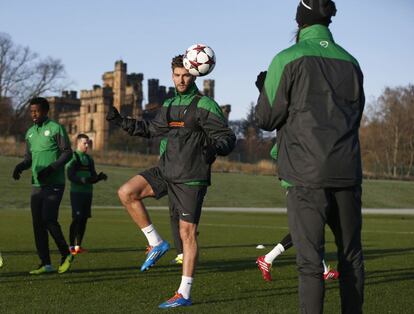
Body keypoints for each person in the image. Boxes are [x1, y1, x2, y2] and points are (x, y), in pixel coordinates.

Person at [255, 1, 365, 313]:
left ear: (300, 20)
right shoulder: (351, 62)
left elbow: (265, 118)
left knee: (309, 264)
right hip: (347, 172)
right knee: (352, 258)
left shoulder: (286, 59)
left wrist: (264, 89)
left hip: (304, 176)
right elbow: (355, 116)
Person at [106, 54, 236, 308]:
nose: (181, 80)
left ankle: (184, 293)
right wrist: (121, 121)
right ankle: (156, 242)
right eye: (176, 75)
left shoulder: (205, 105)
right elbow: (150, 129)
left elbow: (228, 137)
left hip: (191, 177)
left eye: (185, 75)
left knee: (187, 234)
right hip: (166, 171)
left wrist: (215, 149)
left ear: (195, 74)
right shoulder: (169, 104)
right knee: (126, 192)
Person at [256, 145, 339, 282]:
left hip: (307, 186)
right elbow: (274, 152)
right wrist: (293, 167)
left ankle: (267, 259)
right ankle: (323, 271)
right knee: (309, 228)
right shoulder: (294, 131)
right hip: (298, 187)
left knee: (306, 230)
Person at [12, 97, 74, 275]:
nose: (33, 114)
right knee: (37, 224)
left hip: (54, 183)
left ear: (46, 111)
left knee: (48, 219)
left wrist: (52, 168)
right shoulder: (30, 133)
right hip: (37, 185)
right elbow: (29, 158)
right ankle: (45, 263)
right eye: (31, 111)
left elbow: (68, 152)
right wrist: (20, 167)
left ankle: (66, 254)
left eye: (36, 111)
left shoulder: (55, 128)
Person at [66, 133, 107, 255]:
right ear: (77, 143)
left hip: (88, 193)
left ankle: (78, 246)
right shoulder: (73, 157)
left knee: (84, 219)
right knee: (76, 219)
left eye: (88, 143)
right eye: (84, 143)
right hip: (77, 193)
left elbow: (92, 176)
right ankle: (71, 247)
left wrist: (99, 177)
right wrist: (82, 180)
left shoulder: (89, 159)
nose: (87, 145)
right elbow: (70, 176)